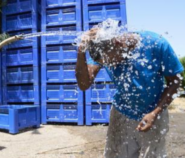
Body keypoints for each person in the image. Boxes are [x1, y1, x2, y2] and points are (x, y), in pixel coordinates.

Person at [75, 21, 184, 158]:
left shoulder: (156, 43)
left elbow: (175, 81)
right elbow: (84, 84)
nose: (111, 65)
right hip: (121, 113)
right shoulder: (103, 49)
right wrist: (81, 50)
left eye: (112, 61)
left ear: (118, 44)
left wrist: (155, 112)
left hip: (154, 112)